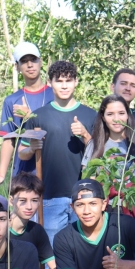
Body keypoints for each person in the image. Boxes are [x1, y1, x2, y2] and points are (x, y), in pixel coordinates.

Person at [19, 60, 96, 241]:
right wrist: (31, 147)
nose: (64, 86)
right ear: (50, 83)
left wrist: (85, 135)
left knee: (83, 252)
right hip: (49, 198)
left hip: (83, 197)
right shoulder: (38, 116)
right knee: (51, 257)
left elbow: (100, 154)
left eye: (68, 81)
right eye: (59, 81)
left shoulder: (91, 115)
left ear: (76, 82)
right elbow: (21, 152)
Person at [0, 42, 53, 191]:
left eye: (33, 59)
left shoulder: (55, 95)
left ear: (40, 62)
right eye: (24, 61)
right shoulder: (11, 101)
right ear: (17, 66)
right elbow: (9, 139)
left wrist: (31, 116)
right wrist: (1, 175)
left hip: (52, 168)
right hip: (24, 172)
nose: (30, 65)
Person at [5, 173, 58, 269]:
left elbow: (56, 268)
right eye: (22, 200)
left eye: (34, 200)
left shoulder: (37, 231)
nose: (29, 206)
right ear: (11, 200)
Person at [82, 94, 135, 183]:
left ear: (127, 115)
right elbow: (88, 182)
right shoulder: (94, 144)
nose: (116, 119)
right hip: (103, 196)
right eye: (110, 114)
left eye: (121, 113)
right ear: (103, 117)